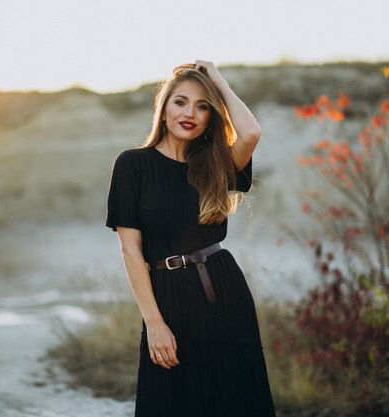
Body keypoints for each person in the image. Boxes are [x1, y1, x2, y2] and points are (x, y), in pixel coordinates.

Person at [105, 60, 276, 417]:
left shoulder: (213, 166)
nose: (190, 113)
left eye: (202, 107)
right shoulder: (132, 165)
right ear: (163, 108)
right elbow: (130, 249)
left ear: (212, 117)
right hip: (167, 299)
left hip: (224, 293)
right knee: (168, 401)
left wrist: (217, 80)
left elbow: (250, 134)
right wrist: (154, 323)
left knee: (233, 402)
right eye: (180, 101)